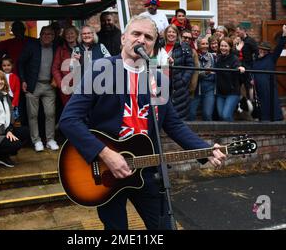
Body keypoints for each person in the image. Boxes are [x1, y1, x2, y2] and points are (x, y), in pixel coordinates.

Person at [59, 15, 226, 230]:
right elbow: (69, 120)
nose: (141, 40)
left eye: (148, 37)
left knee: (164, 227)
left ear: (154, 44)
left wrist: (205, 149)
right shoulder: (101, 69)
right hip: (106, 170)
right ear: (123, 38)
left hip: (145, 170)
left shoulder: (159, 79)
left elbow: (173, 124)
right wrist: (106, 154)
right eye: (136, 34)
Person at [19, 25, 59, 152]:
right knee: (32, 115)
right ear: (40, 35)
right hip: (33, 84)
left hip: (49, 85)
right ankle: (36, 140)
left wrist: (56, 78)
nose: (47, 36)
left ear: (53, 36)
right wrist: (23, 80)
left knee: (50, 113)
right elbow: (20, 62)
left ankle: (50, 140)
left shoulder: (56, 47)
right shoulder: (32, 46)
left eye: (50, 34)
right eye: (44, 34)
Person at [252, 25, 286, 121]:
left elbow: (280, 46)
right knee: (261, 108)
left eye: (264, 49)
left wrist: (284, 33)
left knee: (271, 106)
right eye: (260, 48)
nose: (261, 50)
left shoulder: (271, 58)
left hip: (269, 87)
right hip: (258, 88)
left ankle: (274, 121)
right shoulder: (255, 59)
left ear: (267, 51)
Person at [164, 25, 194, 120]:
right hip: (161, 83)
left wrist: (183, 80)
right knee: (162, 111)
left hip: (177, 84)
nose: (171, 34)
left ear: (177, 35)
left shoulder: (184, 47)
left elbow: (190, 66)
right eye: (169, 32)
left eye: (173, 32)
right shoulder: (159, 46)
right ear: (165, 33)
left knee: (178, 114)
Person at [215, 37, 246, 121]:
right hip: (220, 93)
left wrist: (240, 68)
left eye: (225, 46)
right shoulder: (218, 58)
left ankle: (233, 133)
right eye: (221, 46)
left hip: (232, 93)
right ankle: (230, 132)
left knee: (225, 116)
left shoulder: (234, 58)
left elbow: (237, 65)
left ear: (229, 47)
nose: (223, 48)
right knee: (221, 116)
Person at [188, 37, 216, 121]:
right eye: (203, 44)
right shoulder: (194, 56)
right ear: (198, 45)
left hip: (209, 89)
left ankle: (208, 134)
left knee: (207, 114)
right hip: (196, 89)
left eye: (207, 44)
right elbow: (194, 73)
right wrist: (205, 72)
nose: (205, 46)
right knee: (191, 113)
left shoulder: (213, 56)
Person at [52, 26, 81, 106]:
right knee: (69, 109)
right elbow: (55, 68)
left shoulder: (82, 48)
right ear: (64, 36)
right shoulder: (60, 50)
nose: (69, 36)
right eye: (67, 34)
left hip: (81, 85)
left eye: (72, 33)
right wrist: (61, 84)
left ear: (76, 35)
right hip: (66, 86)